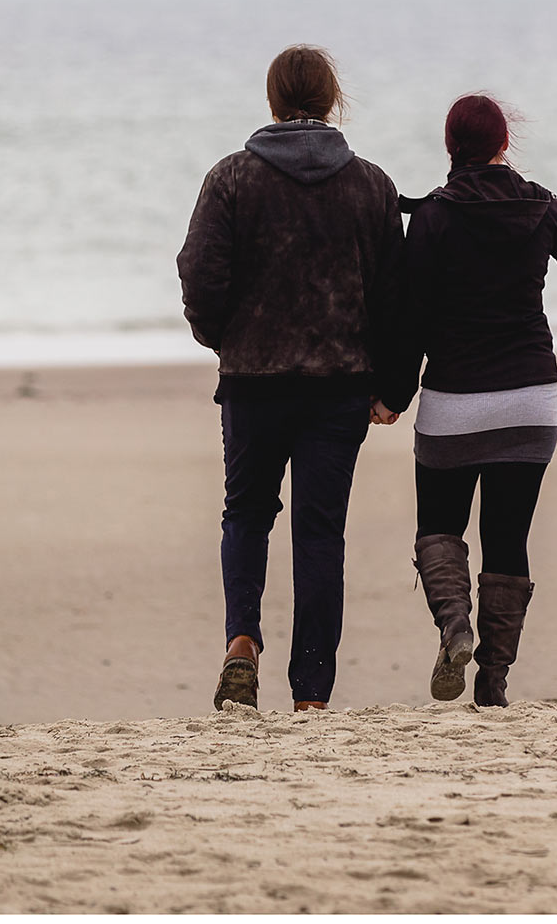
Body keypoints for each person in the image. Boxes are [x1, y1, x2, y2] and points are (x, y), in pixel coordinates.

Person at [177, 45, 408, 713]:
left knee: (246, 513)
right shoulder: (371, 185)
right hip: (339, 384)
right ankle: (310, 697)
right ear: (333, 100)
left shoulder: (232, 180)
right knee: (319, 533)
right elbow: (396, 298)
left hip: (253, 378)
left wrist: (224, 337)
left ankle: (242, 642)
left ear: (274, 100)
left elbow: (199, 275)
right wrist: (394, 386)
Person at [375, 93, 557, 707]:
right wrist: (544, 196)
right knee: (509, 540)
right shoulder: (539, 206)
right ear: (504, 143)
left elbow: (410, 317)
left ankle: (455, 628)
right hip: (531, 401)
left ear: (451, 148)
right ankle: (494, 680)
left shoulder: (435, 217)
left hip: (455, 403)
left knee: (439, 527)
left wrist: (393, 395)